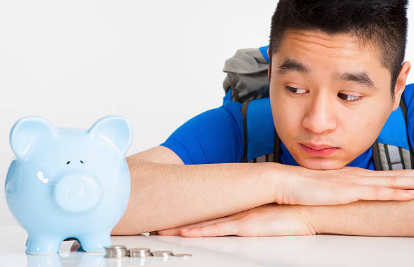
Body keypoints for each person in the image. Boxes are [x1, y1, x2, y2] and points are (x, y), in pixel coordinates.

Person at [111, 0, 414, 237]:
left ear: (397, 87)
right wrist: (281, 184)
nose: (317, 123)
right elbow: (96, 192)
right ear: (270, 73)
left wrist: (306, 216)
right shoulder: (239, 128)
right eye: (295, 89)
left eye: (348, 96)